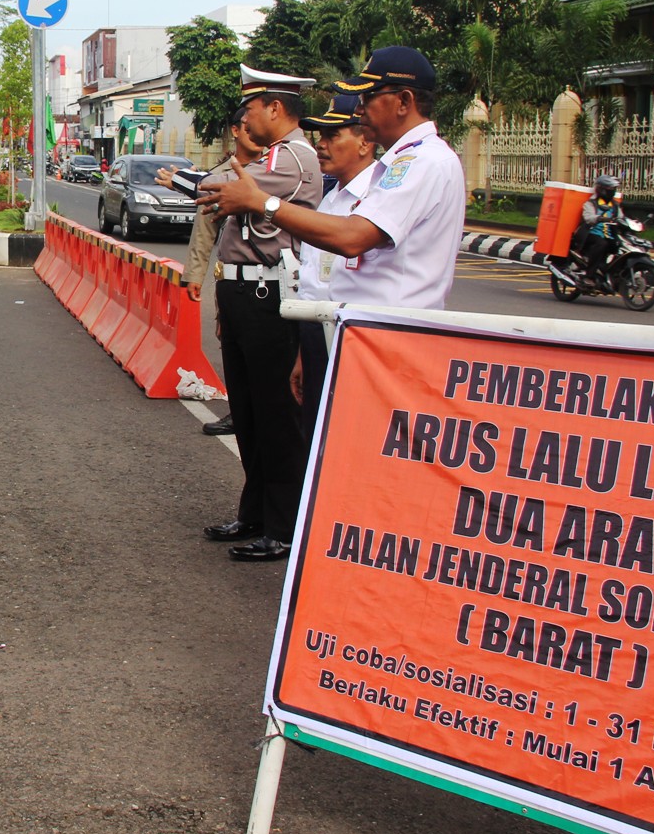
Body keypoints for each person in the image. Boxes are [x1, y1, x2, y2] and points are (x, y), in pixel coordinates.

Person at [199, 46, 466, 313]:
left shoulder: (423, 161)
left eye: (367, 98)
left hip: (390, 332)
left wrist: (262, 203)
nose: (359, 111)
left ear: (404, 101)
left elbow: (352, 238)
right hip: (361, 328)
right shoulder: (400, 162)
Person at [198, 65, 323, 562]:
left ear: (275, 108)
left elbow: (217, 192)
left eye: (251, 108)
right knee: (248, 414)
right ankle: (254, 511)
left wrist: (209, 183)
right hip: (242, 296)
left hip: (269, 299)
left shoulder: (294, 158)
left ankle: (284, 525)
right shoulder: (275, 156)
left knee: (275, 415)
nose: (245, 118)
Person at [158, 110, 264, 436]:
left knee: (268, 356)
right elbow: (205, 226)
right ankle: (240, 413)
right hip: (232, 278)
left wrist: (187, 182)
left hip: (272, 280)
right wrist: (195, 274)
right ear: (235, 130)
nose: (255, 131)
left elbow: (222, 189)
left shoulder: (275, 168)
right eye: (247, 125)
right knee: (234, 349)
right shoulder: (219, 173)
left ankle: (264, 417)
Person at [290, 95, 375, 442]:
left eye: (332, 136)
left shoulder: (376, 198)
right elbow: (314, 282)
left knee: (345, 440)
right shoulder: (331, 197)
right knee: (316, 439)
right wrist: (303, 354)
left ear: (365, 142)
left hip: (353, 340)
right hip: (317, 333)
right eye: (319, 137)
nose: (320, 146)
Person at [575, 174, 625, 286]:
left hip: (610, 235)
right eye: (610, 189)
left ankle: (610, 272)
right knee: (602, 244)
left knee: (619, 246)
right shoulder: (591, 203)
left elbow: (621, 218)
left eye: (614, 189)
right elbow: (588, 217)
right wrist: (599, 218)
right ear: (601, 189)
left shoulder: (615, 205)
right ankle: (589, 276)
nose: (612, 191)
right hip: (591, 234)